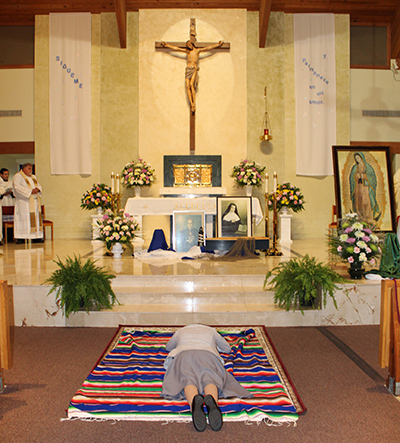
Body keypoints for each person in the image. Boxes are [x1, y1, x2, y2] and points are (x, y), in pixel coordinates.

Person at [161, 324, 252, 432]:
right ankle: (212, 401)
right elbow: (227, 348)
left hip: (183, 355)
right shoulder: (212, 331)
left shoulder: (180, 331)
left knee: (187, 379)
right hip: (207, 354)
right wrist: (215, 346)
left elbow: (168, 347)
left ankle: (194, 403)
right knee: (210, 378)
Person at [160, 40, 224, 113]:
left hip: (194, 69)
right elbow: (176, 49)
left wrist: (217, 44)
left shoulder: (197, 51)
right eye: (187, 45)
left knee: (191, 85)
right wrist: (166, 45)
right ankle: (192, 103)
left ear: (192, 44)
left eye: (189, 44)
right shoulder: (187, 52)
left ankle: (194, 104)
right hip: (188, 69)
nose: (188, 46)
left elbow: (208, 48)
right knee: (187, 86)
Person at [12, 163, 44, 244]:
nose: (31, 170)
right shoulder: (18, 176)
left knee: (35, 218)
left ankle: (36, 237)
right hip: (24, 203)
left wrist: (38, 189)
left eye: (31, 168)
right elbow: (17, 187)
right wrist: (30, 191)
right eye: (29, 168)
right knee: (24, 219)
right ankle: (21, 237)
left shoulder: (33, 177)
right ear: (24, 169)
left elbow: (39, 185)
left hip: (34, 202)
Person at [349, 152, 381, 224]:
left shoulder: (368, 167)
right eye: (356, 158)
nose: (357, 160)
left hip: (366, 187)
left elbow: (372, 178)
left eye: (358, 158)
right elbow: (351, 178)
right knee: (358, 201)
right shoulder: (355, 168)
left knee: (366, 201)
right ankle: (359, 218)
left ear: (361, 158)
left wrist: (364, 176)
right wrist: (356, 176)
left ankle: (368, 217)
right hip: (358, 187)